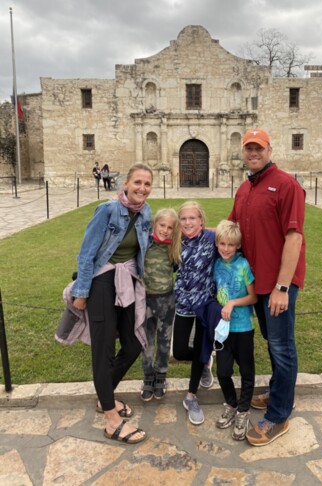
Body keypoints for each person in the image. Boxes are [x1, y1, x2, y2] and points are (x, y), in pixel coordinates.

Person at [229, 128, 306, 447]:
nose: (253, 153)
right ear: (243, 152)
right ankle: (279, 391)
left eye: (258, 148)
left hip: (278, 284)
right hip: (257, 283)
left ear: (269, 150)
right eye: (248, 148)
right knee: (273, 342)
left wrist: (282, 288)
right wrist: (190, 230)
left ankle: (278, 416)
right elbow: (230, 229)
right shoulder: (245, 189)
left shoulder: (286, 185)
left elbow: (294, 238)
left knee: (281, 346)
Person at [71, 163, 153, 444]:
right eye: (138, 182)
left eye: (147, 184)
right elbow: (86, 253)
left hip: (128, 281)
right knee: (104, 349)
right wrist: (82, 292)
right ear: (126, 184)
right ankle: (110, 419)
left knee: (133, 344)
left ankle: (104, 395)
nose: (142, 188)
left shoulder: (146, 212)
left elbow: (148, 246)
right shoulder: (107, 210)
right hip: (102, 282)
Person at [172, 201, 217, 425]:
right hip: (183, 302)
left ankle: (191, 396)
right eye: (184, 219)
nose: (188, 222)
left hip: (205, 302)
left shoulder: (212, 238)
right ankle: (205, 360)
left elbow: (234, 238)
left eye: (192, 218)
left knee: (200, 345)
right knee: (180, 351)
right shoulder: (176, 242)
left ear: (201, 220)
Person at [213, 220, 257, 441]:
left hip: (243, 327)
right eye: (222, 243)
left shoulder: (243, 265)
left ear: (238, 246)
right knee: (222, 372)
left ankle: (243, 410)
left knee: (246, 371)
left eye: (231, 244)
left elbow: (253, 296)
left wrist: (232, 304)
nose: (226, 248)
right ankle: (231, 403)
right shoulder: (216, 264)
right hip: (223, 329)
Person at [141, 208, 181, 402]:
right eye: (162, 225)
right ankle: (148, 376)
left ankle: (161, 376)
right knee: (147, 341)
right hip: (145, 300)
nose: (165, 230)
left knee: (164, 341)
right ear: (154, 224)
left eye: (170, 227)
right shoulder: (144, 244)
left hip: (166, 300)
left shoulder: (174, 248)